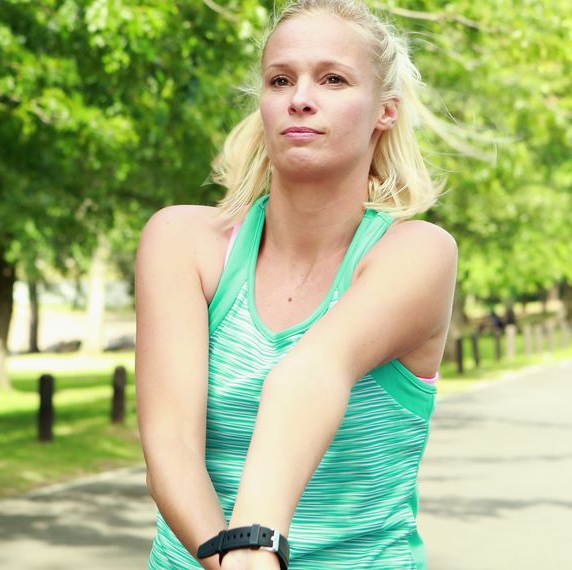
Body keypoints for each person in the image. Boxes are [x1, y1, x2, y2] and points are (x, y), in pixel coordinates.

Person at [135, 1, 460, 568]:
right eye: (280, 79)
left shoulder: (418, 253)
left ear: (385, 110)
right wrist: (235, 559)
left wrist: (252, 546)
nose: (300, 97)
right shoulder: (183, 241)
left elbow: (309, 374)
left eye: (333, 79)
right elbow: (172, 445)